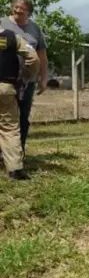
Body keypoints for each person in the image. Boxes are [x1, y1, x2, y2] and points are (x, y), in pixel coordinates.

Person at [1, 0, 48, 152]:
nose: (17, 10)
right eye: (16, 6)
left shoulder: (35, 29)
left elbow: (41, 55)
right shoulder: (2, 24)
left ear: (29, 12)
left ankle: (18, 152)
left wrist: (43, 79)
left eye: (22, 8)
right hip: (4, 80)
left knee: (22, 117)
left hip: (27, 82)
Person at [0, 24, 39, 179]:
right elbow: (33, 57)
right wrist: (26, 77)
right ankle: (15, 169)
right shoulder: (11, 36)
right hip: (5, 88)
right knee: (9, 128)